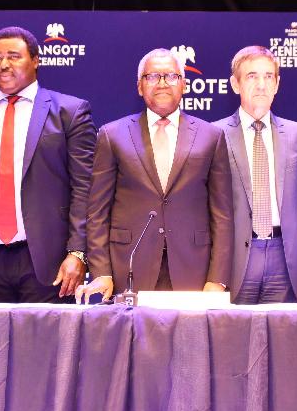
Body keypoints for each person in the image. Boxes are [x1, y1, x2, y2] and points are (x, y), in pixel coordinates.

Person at [0, 26, 96, 303]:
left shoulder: (70, 112)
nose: (4, 64)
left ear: (36, 61)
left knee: (46, 334)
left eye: (14, 56)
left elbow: (85, 189)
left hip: (49, 261)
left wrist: (78, 252)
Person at [77, 48, 232, 301]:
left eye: (171, 76)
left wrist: (217, 279)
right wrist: (102, 271)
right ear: (139, 87)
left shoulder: (211, 136)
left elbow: (222, 215)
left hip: (194, 268)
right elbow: (97, 212)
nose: (162, 83)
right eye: (152, 77)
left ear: (184, 84)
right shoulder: (111, 135)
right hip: (128, 267)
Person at [213, 46, 297, 304]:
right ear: (235, 84)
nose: (261, 85)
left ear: (277, 84)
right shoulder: (214, 135)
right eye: (252, 76)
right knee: (233, 330)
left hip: (284, 259)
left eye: (269, 76)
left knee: (284, 330)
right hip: (235, 258)